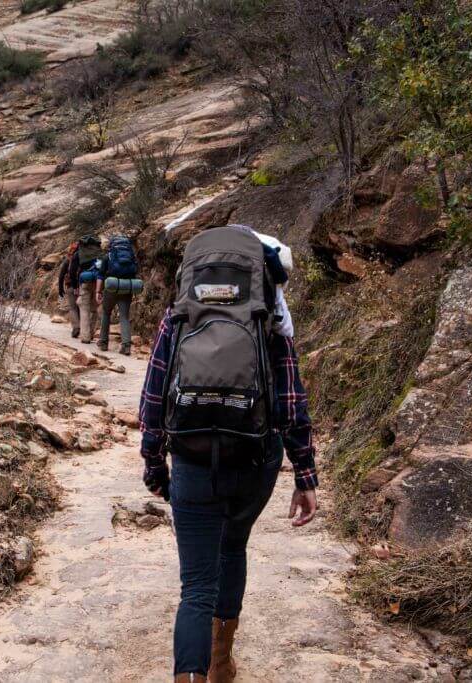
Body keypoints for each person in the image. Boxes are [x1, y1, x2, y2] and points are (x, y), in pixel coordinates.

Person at [138, 225, 318, 683]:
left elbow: (153, 397)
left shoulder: (179, 316)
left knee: (195, 586)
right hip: (255, 457)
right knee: (233, 548)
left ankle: (192, 675)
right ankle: (221, 665)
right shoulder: (271, 317)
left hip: (194, 458)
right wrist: (305, 475)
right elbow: (292, 402)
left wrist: (155, 464)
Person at [96, 235, 139, 355]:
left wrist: (98, 291)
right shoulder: (131, 256)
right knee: (124, 316)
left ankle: (104, 342)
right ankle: (126, 346)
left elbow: (100, 275)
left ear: (111, 245)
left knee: (106, 312)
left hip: (111, 287)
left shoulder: (108, 256)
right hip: (127, 288)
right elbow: (136, 271)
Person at [75, 234, 103, 344]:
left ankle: (85, 337)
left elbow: (74, 270)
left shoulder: (80, 253)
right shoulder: (100, 253)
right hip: (99, 282)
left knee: (84, 308)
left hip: (85, 282)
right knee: (94, 308)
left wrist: (76, 286)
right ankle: (91, 333)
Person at [57, 241, 81, 338]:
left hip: (71, 286)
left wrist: (60, 288)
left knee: (73, 307)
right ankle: (84, 328)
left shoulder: (68, 259)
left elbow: (61, 275)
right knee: (81, 307)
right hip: (84, 286)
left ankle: (76, 327)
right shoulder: (85, 258)